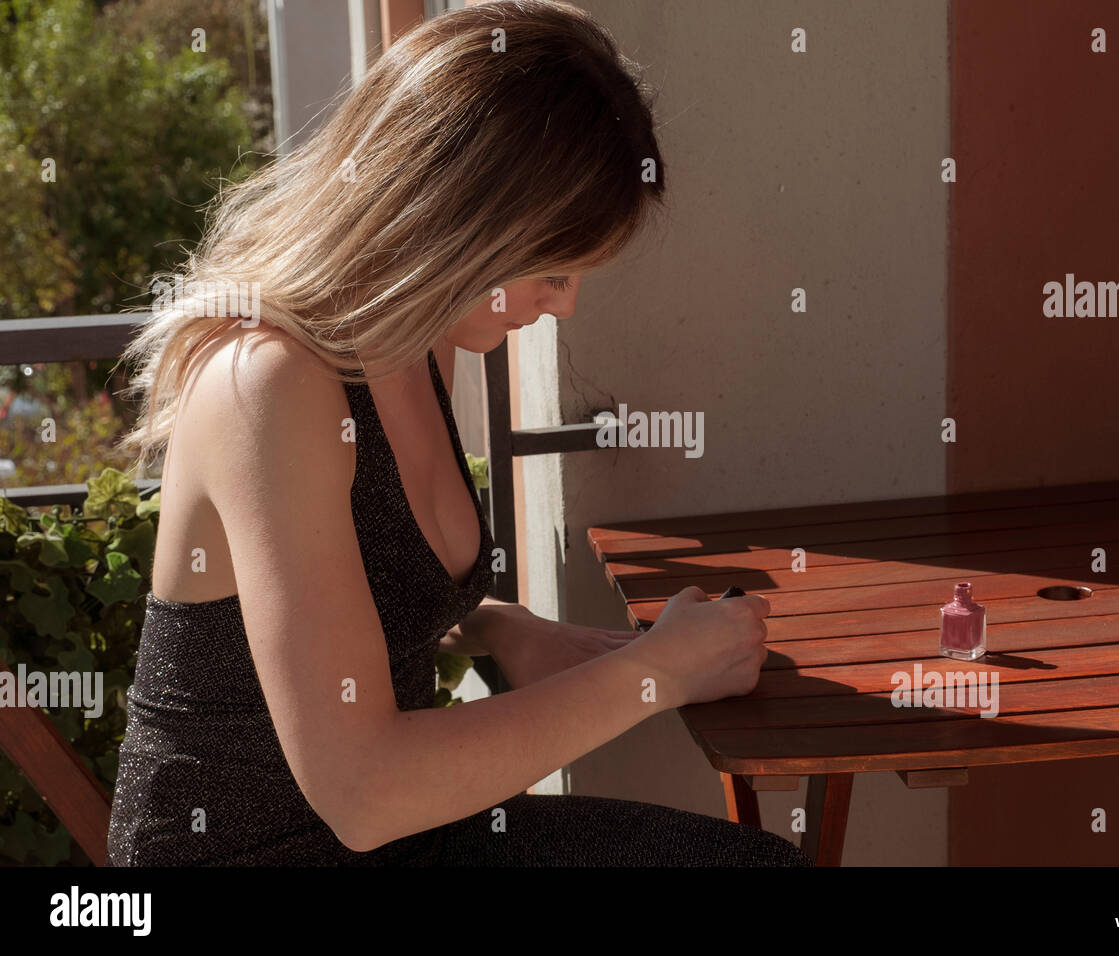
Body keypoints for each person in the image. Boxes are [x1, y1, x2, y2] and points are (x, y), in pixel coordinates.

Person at [106, 0, 811, 867]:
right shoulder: (271, 386)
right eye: (553, 271)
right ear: (459, 225)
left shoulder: (421, 343)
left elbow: (348, 585)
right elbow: (366, 794)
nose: (565, 305)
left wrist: (499, 625)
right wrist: (657, 672)